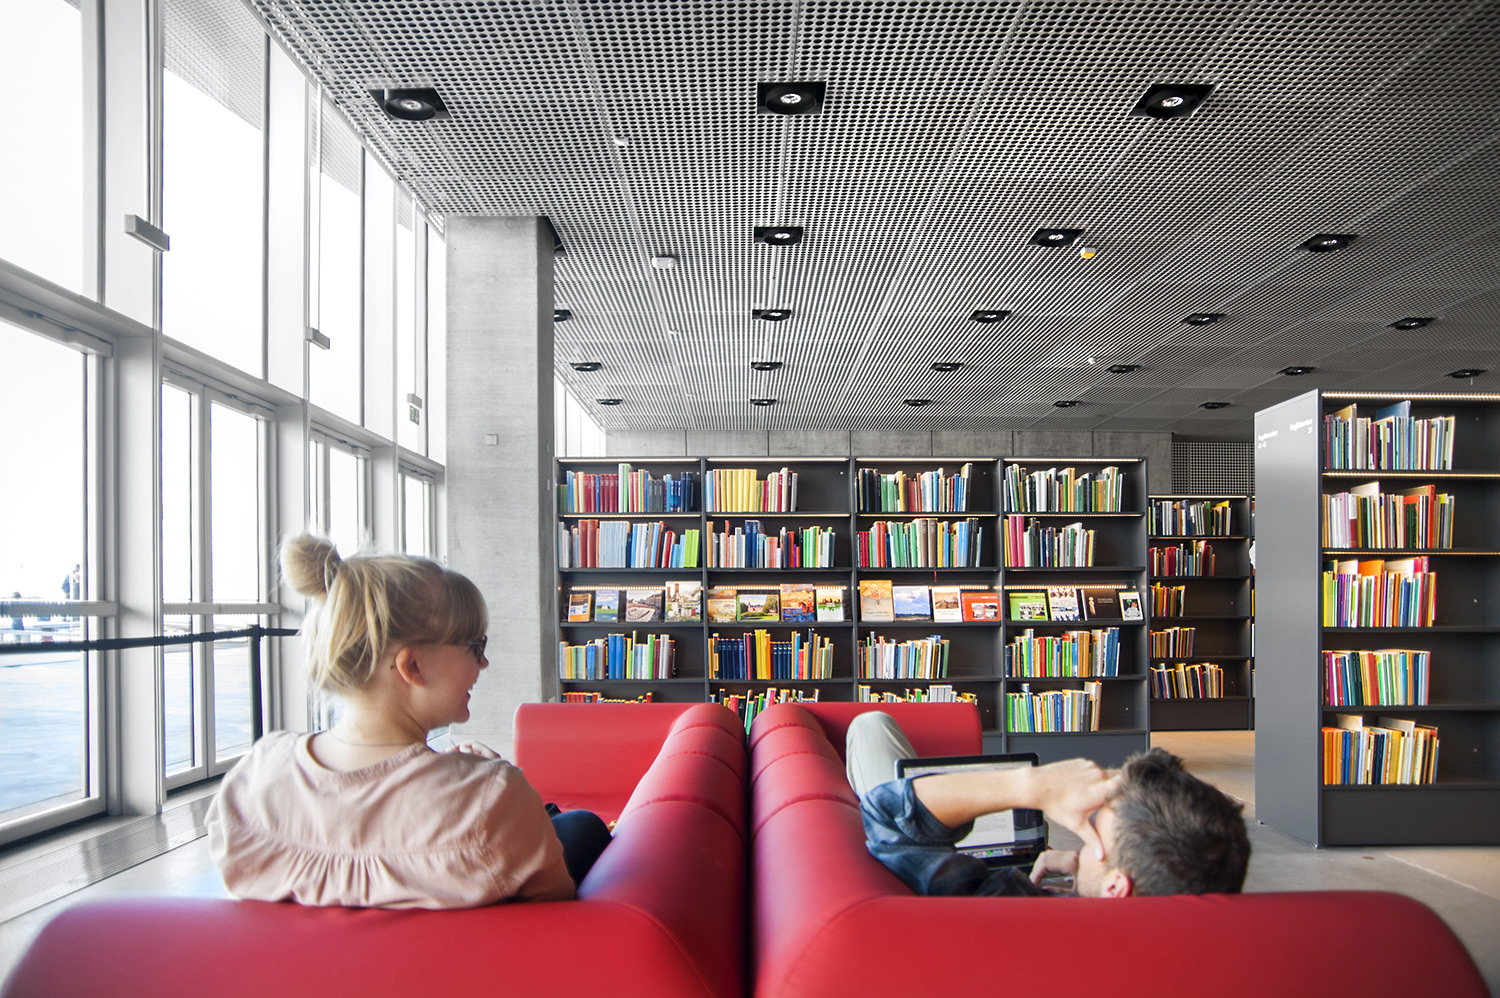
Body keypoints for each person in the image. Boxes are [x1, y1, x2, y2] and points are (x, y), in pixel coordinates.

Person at [207, 535, 611, 909]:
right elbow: (556, 904)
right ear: (412, 666)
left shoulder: (255, 777)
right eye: (475, 646)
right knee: (583, 826)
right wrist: (495, 784)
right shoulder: (489, 798)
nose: (484, 662)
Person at [846, 712, 1249, 898]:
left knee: (870, 726)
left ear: (1116, 886)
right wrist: (1084, 880)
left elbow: (888, 814)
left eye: (1093, 831)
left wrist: (1031, 785)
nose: (1080, 841)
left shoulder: (1020, 917)